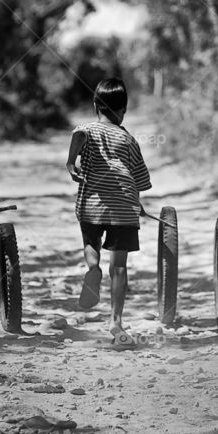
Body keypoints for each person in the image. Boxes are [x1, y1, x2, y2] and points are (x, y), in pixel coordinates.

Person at [66, 78, 152, 345]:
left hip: (94, 203)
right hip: (125, 206)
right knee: (120, 267)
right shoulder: (129, 139)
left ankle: (93, 268)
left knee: (92, 243)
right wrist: (136, 204)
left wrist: (71, 162)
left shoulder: (88, 129)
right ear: (123, 111)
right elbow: (140, 181)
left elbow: (78, 134)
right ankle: (116, 321)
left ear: (95, 106)